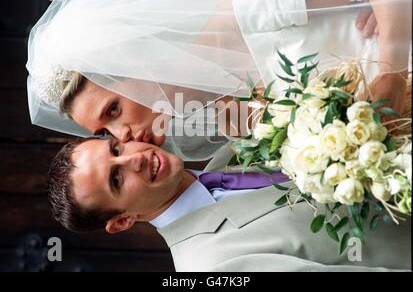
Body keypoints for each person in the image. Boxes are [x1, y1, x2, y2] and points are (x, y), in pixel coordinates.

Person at [26, 0, 411, 165]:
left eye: (112, 110)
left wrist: (390, 70)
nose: (122, 135)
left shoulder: (239, 15)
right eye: (104, 131)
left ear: (130, 61)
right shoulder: (230, 128)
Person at [46, 138, 411, 271]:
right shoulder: (208, 268)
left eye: (116, 150)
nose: (133, 160)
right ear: (123, 221)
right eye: (116, 179)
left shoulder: (232, 151)